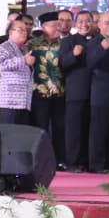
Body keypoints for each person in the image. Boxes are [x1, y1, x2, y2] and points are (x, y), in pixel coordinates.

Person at [86, 12, 109, 173]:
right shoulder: (94, 42)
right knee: (99, 131)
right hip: (101, 94)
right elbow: (90, 63)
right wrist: (101, 49)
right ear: (99, 25)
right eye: (107, 23)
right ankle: (96, 164)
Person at [59, 11, 95, 172]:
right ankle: (72, 162)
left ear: (92, 23)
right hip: (76, 91)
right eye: (80, 21)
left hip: (95, 92)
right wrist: (73, 55)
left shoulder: (97, 40)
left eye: (87, 21)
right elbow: (61, 64)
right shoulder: (68, 41)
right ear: (75, 23)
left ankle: (85, 161)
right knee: (74, 129)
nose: (84, 24)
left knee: (89, 129)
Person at [29, 11, 66, 165]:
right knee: (40, 128)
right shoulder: (32, 44)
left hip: (60, 91)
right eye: (53, 25)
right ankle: (39, 160)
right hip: (39, 92)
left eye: (58, 25)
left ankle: (59, 160)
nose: (57, 28)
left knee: (60, 128)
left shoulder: (64, 44)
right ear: (43, 27)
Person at [0, 19, 35, 126]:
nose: (24, 32)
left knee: (21, 134)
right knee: (9, 133)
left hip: (24, 101)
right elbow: (3, 64)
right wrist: (24, 60)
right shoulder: (3, 47)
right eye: (20, 30)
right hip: (10, 101)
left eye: (25, 30)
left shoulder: (26, 48)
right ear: (10, 32)